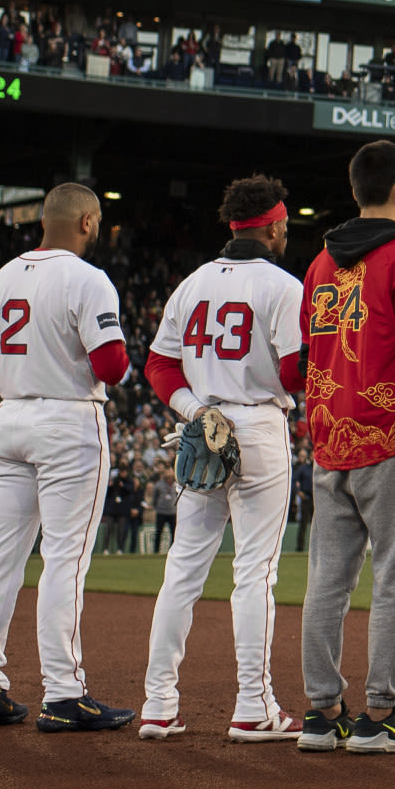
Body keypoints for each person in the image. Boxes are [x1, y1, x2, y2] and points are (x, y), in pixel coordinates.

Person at [0, 183, 136, 733]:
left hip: (10, 419)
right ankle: (63, 693)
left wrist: (23, 379)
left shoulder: (2, 276)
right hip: (67, 421)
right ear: (87, 222)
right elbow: (111, 365)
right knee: (65, 560)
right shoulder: (87, 278)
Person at [137, 173, 308, 743]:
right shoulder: (285, 286)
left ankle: (158, 706)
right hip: (258, 425)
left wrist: (192, 411)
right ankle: (253, 706)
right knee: (254, 574)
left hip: (201, 426)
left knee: (182, 571)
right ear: (275, 225)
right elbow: (293, 373)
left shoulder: (191, 284)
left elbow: (159, 365)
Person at [297, 140, 395, 755]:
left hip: (330, 437)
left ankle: (321, 711)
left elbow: (312, 350)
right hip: (390, 436)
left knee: (327, 581)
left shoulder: (319, 263)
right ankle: (382, 713)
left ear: (355, 189)